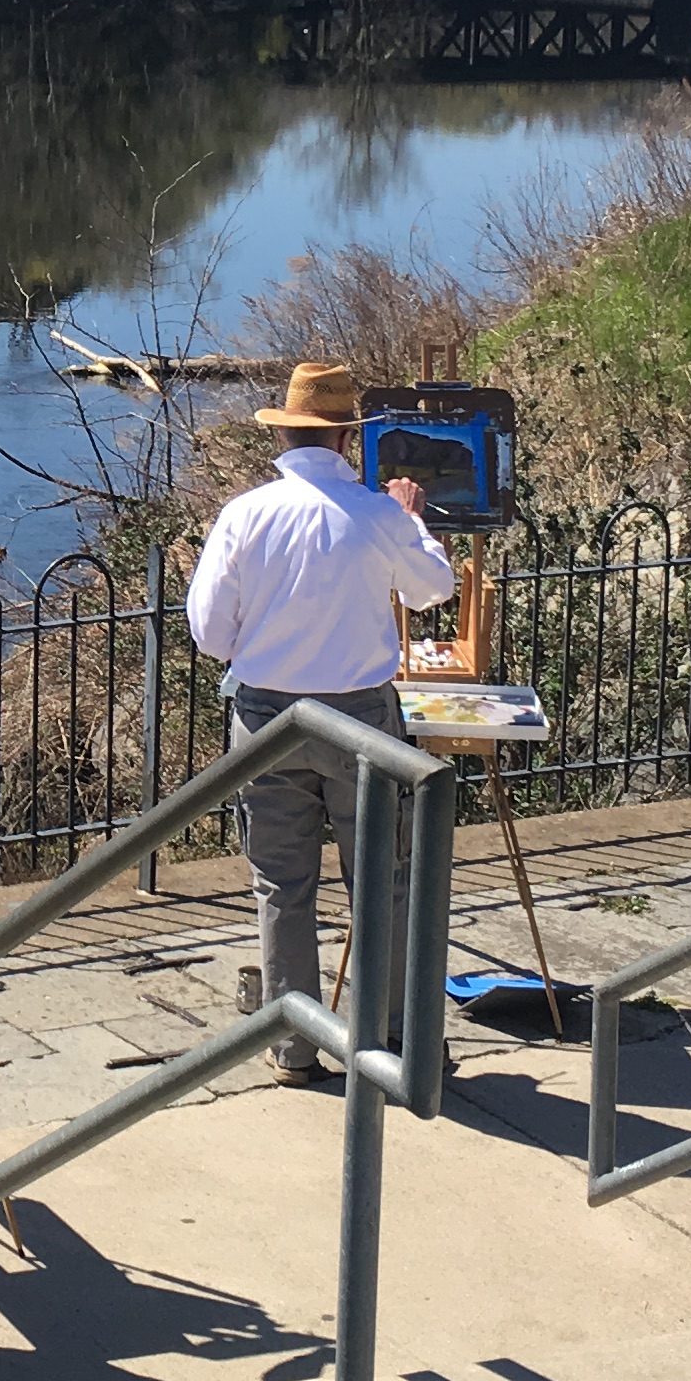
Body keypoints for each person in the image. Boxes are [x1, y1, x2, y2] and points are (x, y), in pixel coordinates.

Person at [180, 361, 456, 1087]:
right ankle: (383, 1036)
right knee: (383, 882)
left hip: (267, 714)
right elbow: (433, 589)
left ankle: (292, 1041)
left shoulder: (245, 514)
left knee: (280, 884)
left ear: (289, 432)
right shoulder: (377, 513)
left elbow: (209, 631)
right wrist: (414, 518)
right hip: (361, 715)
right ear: (344, 438)